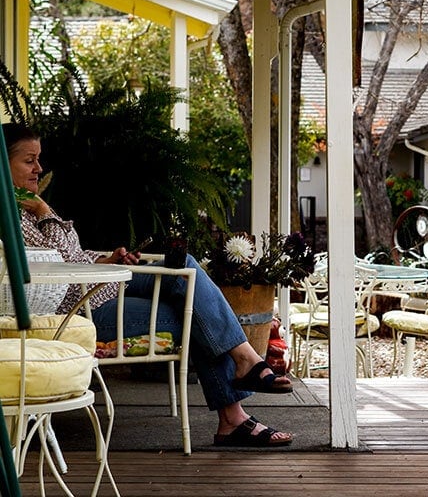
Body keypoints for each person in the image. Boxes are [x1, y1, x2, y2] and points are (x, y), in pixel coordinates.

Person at [3, 123, 294, 447]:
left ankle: (245, 367)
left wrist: (107, 259)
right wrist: (46, 211)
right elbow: (61, 262)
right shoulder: (10, 215)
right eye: (29, 161)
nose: (39, 168)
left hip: (100, 288)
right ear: (2, 163)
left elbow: (72, 256)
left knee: (185, 266)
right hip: (81, 310)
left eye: (39, 159)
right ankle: (236, 406)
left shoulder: (26, 206)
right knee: (193, 313)